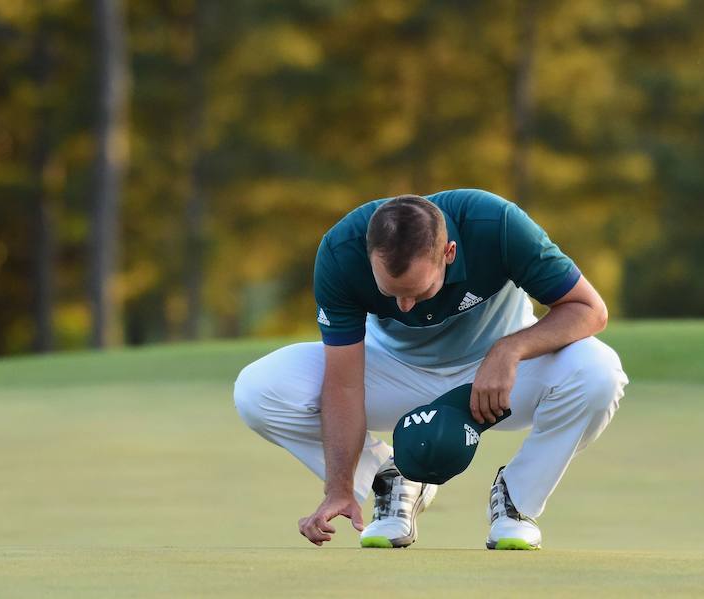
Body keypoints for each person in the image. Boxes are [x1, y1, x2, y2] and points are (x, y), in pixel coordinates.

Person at [233, 189, 628, 550]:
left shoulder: (498, 225)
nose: (406, 307)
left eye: (419, 291)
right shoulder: (341, 252)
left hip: (499, 378)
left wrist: (511, 349)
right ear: (369, 256)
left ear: (449, 253)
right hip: (391, 371)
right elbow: (345, 385)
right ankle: (393, 478)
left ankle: (516, 501)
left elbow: (589, 309)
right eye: (392, 293)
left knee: (599, 372)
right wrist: (338, 487)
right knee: (258, 390)